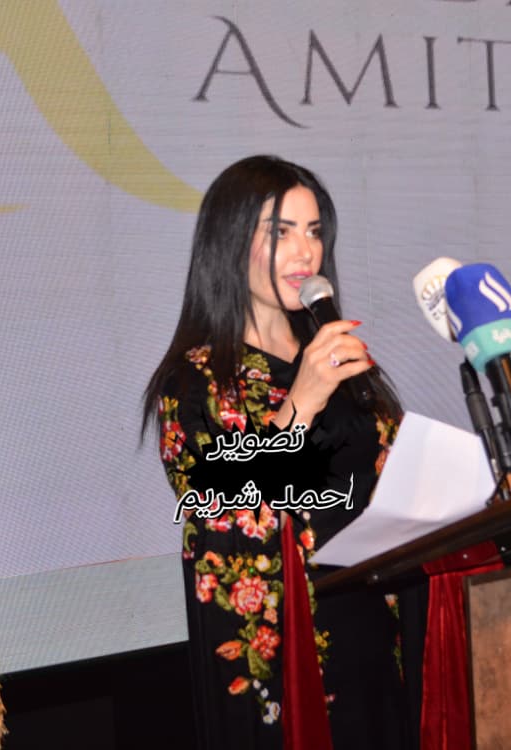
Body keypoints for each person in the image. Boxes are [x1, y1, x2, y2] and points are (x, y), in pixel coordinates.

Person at [143, 155, 413, 749]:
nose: (305, 252)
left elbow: (384, 472)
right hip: (284, 662)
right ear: (230, 242)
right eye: (281, 232)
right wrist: (302, 401)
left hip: (373, 634)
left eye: (313, 232)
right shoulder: (195, 382)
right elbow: (217, 502)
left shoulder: (335, 357)